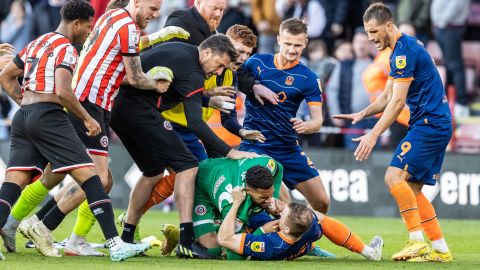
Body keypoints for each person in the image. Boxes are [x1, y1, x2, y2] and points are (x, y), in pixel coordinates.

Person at [1, 0, 188, 257]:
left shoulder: (109, 19)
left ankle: (15, 224)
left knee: (52, 174)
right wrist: (156, 84)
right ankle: (50, 228)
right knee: (99, 179)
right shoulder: (112, 31)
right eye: (153, 9)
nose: (156, 15)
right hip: (88, 102)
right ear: (136, 3)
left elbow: (125, 47)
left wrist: (157, 36)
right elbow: (134, 77)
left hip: (74, 103)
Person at [111, 34, 257, 258]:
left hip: (119, 109)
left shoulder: (182, 51)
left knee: (153, 172)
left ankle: (127, 238)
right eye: (219, 65)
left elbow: (178, 90)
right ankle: (187, 241)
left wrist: (207, 99)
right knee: (188, 165)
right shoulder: (193, 71)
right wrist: (230, 151)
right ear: (207, 53)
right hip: (137, 110)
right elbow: (195, 122)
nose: (219, 73)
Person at [333, 3, 453, 262]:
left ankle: (416, 241)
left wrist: (373, 134)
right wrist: (362, 114)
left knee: (392, 177)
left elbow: (398, 102)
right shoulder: (403, 48)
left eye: (374, 31)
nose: (370, 38)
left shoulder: (403, 52)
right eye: (367, 32)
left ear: (389, 25)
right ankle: (441, 249)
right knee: (413, 188)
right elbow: (387, 95)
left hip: (429, 124)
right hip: (435, 123)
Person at [238, 18, 329, 214]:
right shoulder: (256, 62)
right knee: (284, 204)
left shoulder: (309, 78)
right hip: (256, 144)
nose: (292, 49)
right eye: (288, 43)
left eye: (297, 45)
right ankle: (290, 239)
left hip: (287, 147)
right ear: (279, 40)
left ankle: (304, 239)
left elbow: (318, 120)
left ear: (305, 43)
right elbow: (236, 75)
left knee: (322, 202)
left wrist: (307, 125)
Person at [217, 187, 384, 261]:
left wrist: (237, 204)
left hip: (261, 239)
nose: (280, 211)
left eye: (282, 214)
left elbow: (224, 239)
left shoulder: (269, 244)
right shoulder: (309, 228)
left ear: (285, 227)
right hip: (299, 245)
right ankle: (367, 251)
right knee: (319, 217)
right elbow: (320, 219)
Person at [327, 30, 375, 150]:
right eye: (358, 41)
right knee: (353, 155)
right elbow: (332, 90)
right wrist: (336, 113)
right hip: (352, 119)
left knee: (375, 157)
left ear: (371, 45)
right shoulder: (344, 65)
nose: (361, 45)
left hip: (376, 120)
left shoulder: (378, 64)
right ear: (353, 44)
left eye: (365, 42)